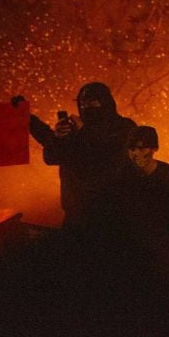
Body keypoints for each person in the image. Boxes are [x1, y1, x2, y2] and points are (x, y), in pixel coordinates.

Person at [26, 82, 136, 228]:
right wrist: (54, 135)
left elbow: (107, 156)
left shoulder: (124, 127)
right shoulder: (76, 130)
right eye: (83, 104)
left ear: (105, 102)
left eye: (92, 102)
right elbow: (52, 157)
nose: (86, 108)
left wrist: (83, 131)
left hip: (112, 216)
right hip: (76, 216)